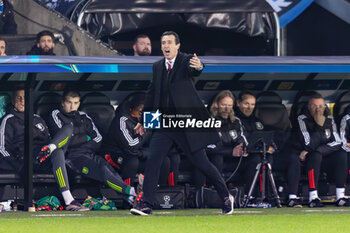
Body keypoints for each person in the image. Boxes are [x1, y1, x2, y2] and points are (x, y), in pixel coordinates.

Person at [130, 31, 234, 215]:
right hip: (164, 124)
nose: (166, 46)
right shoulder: (157, 67)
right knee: (153, 160)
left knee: (202, 162)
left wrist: (200, 65)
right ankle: (146, 204)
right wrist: (143, 120)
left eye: (169, 42)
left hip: (185, 124)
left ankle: (226, 196)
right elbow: (152, 95)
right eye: (163, 43)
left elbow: (196, 69)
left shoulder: (185, 61)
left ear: (178, 45)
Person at [0, 87, 89, 211]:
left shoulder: (37, 118)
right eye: (18, 98)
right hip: (27, 159)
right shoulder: (8, 119)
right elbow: (2, 148)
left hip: (44, 155)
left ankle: (69, 200)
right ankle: (69, 200)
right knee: (57, 152)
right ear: (13, 101)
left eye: (25, 98)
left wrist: (48, 148)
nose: (22, 101)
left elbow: (48, 137)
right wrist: (19, 164)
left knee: (68, 128)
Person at [46, 89, 137, 204]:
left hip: (90, 154)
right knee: (102, 170)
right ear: (63, 103)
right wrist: (87, 137)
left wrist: (78, 139)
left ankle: (129, 198)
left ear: (79, 104)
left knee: (109, 170)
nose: (72, 106)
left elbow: (98, 139)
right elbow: (65, 140)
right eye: (69, 102)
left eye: (75, 103)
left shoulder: (84, 116)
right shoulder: (56, 114)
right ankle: (132, 191)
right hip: (73, 158)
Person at [235, 91, 301, 207]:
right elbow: (242, 140)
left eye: (252, 104)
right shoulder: (235, 120)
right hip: (242, 159)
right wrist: (259, 150)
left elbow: (266, 137)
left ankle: (292, 197)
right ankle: (251, 197)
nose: (249, 107)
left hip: (265, 156)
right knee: (257, 159)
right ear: (238, 103)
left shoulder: (257, 121)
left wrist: (271, 147)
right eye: (246, 104)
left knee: (292, 158)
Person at [101, 93, 180, 186]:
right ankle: (127, 194)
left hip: (138, 153)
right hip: (116, 154)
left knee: (164, 160)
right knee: (132, 162)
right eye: (140, 112)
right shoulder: (122, 120)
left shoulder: (150, 118)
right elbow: (131, 145)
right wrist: (147, 129)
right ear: (132, 109)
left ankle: (160, 193)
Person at [289, 93, 349, 207]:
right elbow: (307, 144)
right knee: (315, 155)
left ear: (325, 107)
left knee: (341, 154)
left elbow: (337, 142)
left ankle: (340, 196)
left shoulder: (330, 119)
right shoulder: (302, 119)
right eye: (314, 106)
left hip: (323, 154)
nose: (318, 109)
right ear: (308, 107)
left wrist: (319, 149)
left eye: (321, 106)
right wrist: (319, 126)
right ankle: (313, 197)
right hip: (307, 159)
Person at [194, 91, 252, 203]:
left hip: (233, 160)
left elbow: (242, 140)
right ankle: (216, 196)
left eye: (229, 105)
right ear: (216, 104)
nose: (227, 108)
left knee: (255, 160)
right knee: (216, 158)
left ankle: (249, 197)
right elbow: (209, 147)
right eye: (224, 105)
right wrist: (231, 152)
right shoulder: (208, 120)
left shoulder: (236, 121)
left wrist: (243, 148)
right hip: (215, 159)